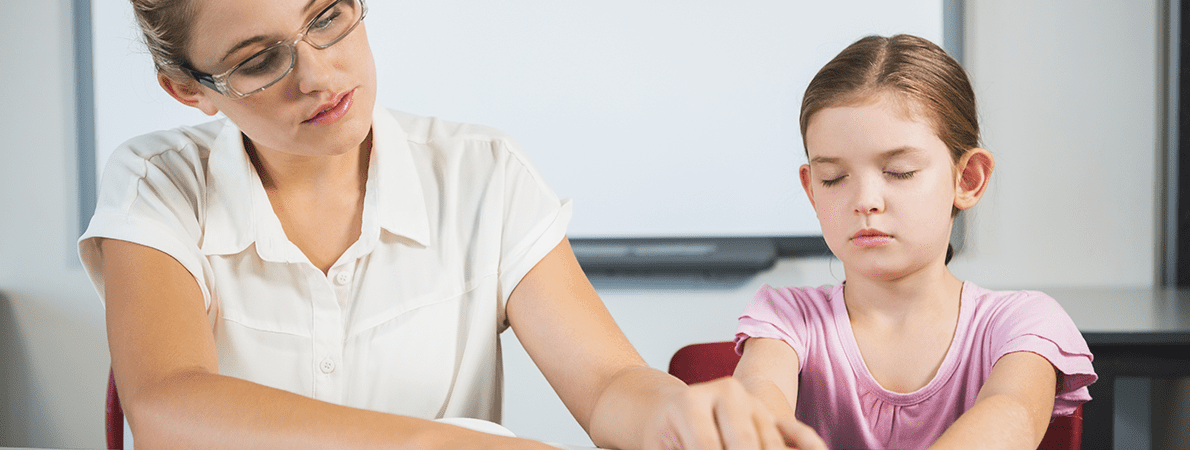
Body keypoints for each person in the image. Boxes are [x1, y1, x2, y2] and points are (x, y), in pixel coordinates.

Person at [79, 0, 815, 448]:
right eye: (258, 60)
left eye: (328, 16)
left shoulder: (482, 173)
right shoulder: (159, 185)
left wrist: (678, 419)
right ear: (187, 90)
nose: (318, 75)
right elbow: (170, 407)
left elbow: (609, 382)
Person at [732, 34, 1097, 449]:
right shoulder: (784, 319)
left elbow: (1008, 416)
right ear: (812, 190)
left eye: (900, 171)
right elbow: (756, 415)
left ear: (968, 178)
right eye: (833, 178)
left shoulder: (1024, 324)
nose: (865, 201)